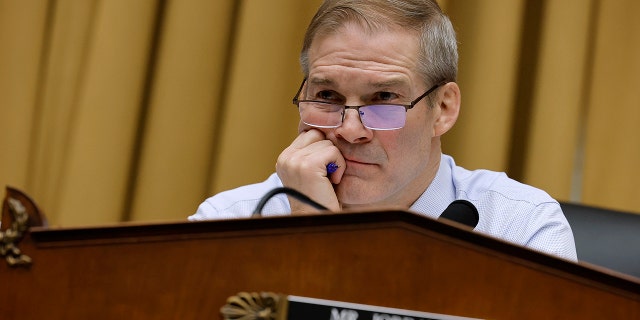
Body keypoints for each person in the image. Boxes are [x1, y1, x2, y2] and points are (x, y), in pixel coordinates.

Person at [189, 0, 577, 261]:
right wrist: (310, 229)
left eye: (384, 98)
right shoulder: (230, 222)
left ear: (443, 109)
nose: (350, 129)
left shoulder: (518, 227)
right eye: (327, 95)